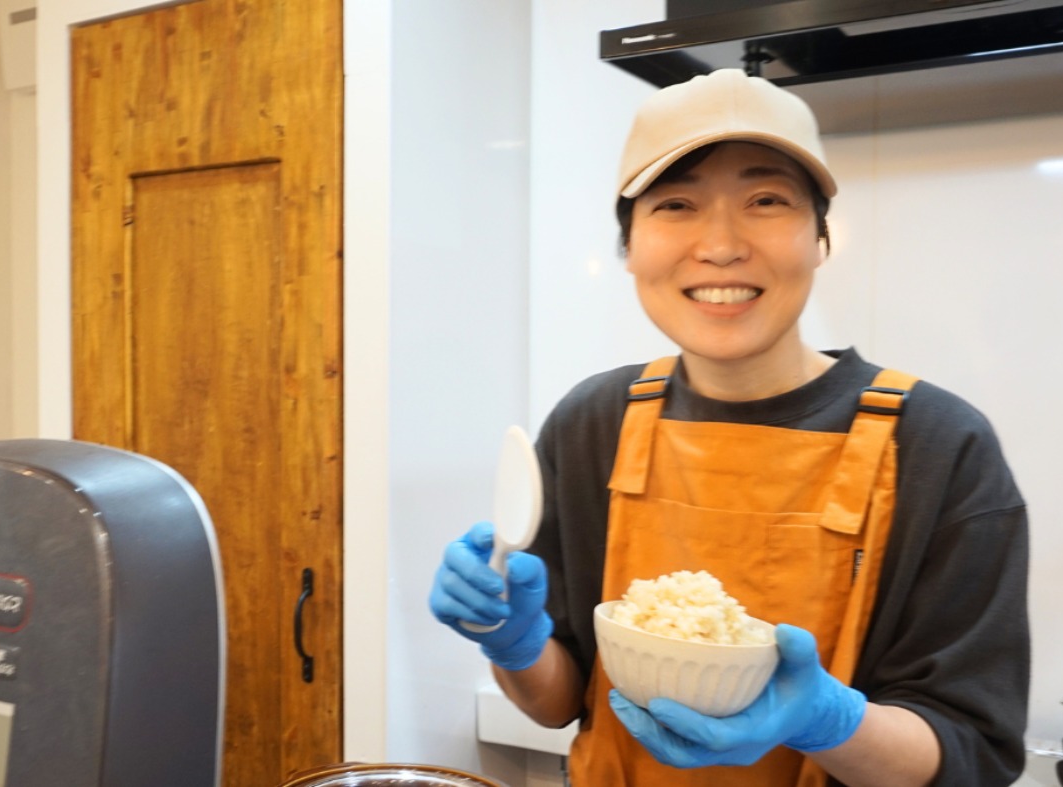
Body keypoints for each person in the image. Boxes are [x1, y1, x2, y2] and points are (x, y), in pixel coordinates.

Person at [429, 69, 1029, 786]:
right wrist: (513, 642)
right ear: (631, 245)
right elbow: (561, 701)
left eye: (766, 200)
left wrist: (826, 719)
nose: (719, 244)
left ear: (819, 239)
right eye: (676, 204)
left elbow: (972, 758)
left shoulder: (939, 446)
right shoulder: (594, 422)